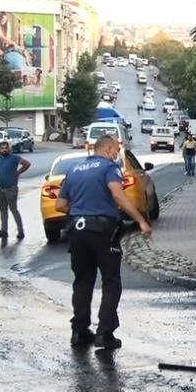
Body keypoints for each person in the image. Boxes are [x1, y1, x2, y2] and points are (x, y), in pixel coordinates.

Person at [55, 135, 153, 349]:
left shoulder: (73, 170)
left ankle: (79, 331)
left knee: (82, 281)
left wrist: (82, 211)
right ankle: (104, 333)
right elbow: (118, 196)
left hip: (77, 231)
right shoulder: (109, 168)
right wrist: (141, 221)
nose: (116, 154)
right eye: (116, 150)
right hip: (102, 231)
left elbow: (60, 205)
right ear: (108, 149)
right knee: (110, 281)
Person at [0, 140, 30, 239]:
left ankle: (20, 231)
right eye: (2, 148)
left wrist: (18, 172)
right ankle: (4, 230)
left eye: (6, 148)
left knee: (13, 209)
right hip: (1, 188)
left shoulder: (14, 158)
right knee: (3, 210)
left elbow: (27, 164)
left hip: (11, 188)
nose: (4, 150)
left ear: (9, 149)